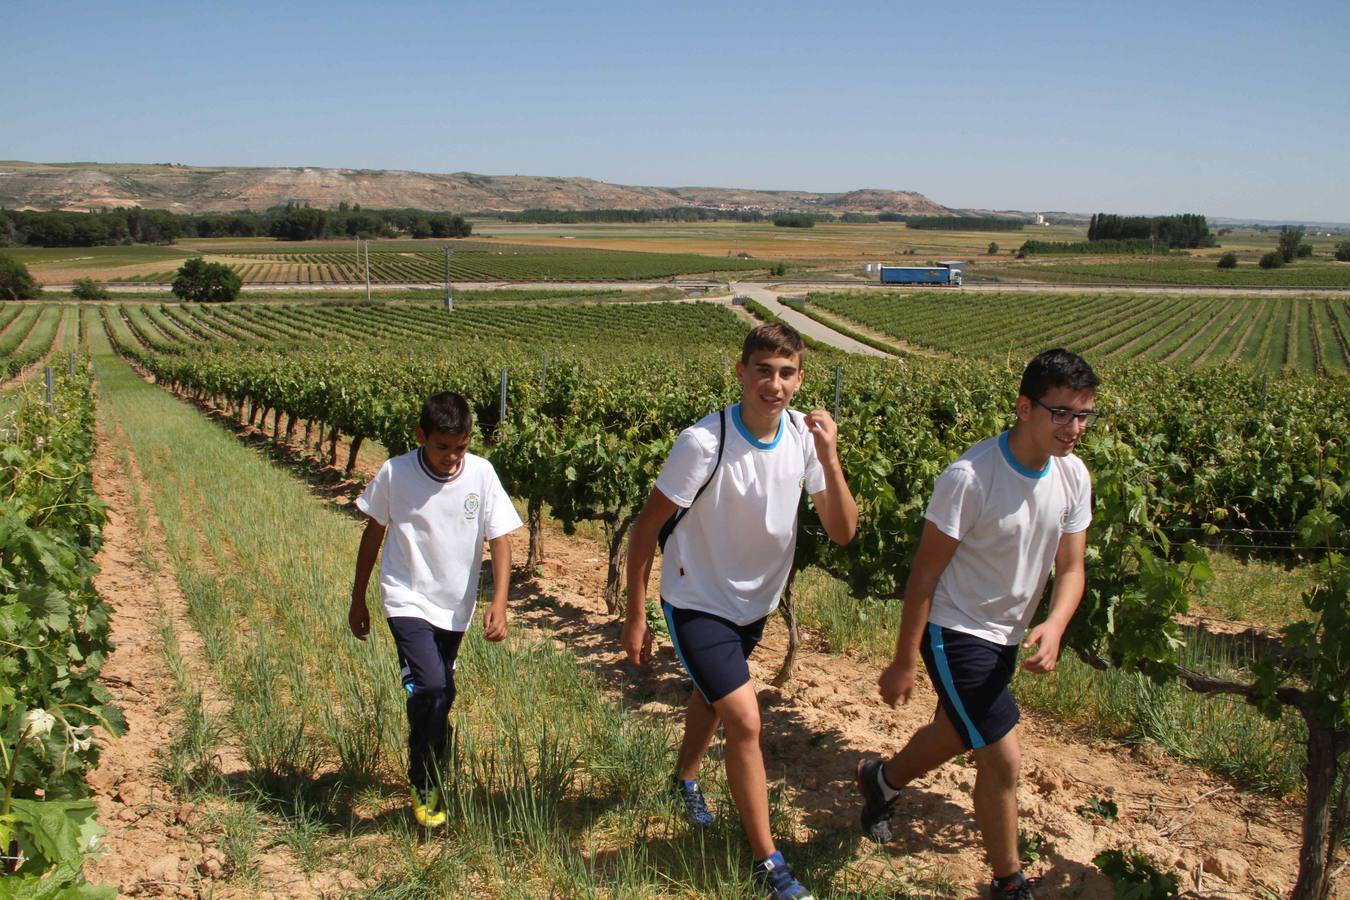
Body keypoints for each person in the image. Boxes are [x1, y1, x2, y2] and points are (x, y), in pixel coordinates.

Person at [622, 322, 858, 900]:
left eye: (785, 373)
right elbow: (646, 528)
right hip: (697, 599)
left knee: (711, 695)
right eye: (762, 370)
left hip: (756, 603)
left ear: (799, 380)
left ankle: (683, 780)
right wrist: (634, 613)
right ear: (741, 372)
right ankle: (767, 861)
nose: (773, 384)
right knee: (746, 721)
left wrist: (830, 459)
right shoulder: (705, 442)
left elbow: (843, 531)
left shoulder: (804, 441)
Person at [854, 349, 1097, 900]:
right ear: (1024, 407)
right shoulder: (970, 477)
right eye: (1061, 413)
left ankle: (881, 780)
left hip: (1008, 635)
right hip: (956, 630)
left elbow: (1072, 567)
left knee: (956, 731)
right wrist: (903, 660)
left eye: (1083, 415)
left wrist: (1056, 624)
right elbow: (924, 573)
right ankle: (1009, 882)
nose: (1074, 428)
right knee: (1001, 756)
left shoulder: (1073, 475)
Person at [348, 391, 522, 827]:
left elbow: (500, 540)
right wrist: (358, 597)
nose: (451, 457)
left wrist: (499, 602)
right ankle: (423, 777)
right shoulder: (396, 473)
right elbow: (373, 535)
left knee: (441, 693)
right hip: (404, 596)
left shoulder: (481, 474)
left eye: (460, 448)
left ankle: (433, 754)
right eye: (442, 447)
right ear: (421, 436)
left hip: (454, 606)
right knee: (429, 685)